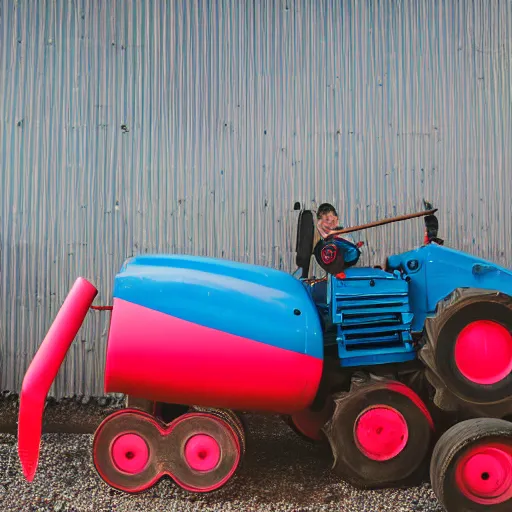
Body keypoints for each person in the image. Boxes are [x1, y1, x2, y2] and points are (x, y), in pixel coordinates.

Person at [313, 203, 363, 277]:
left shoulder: (344, 235)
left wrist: (355, 247)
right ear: (320, 223)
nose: (331, 224)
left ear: (336, 219)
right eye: (327, 221)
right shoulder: (324, 243)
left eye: (333, 221)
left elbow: (352, 253)